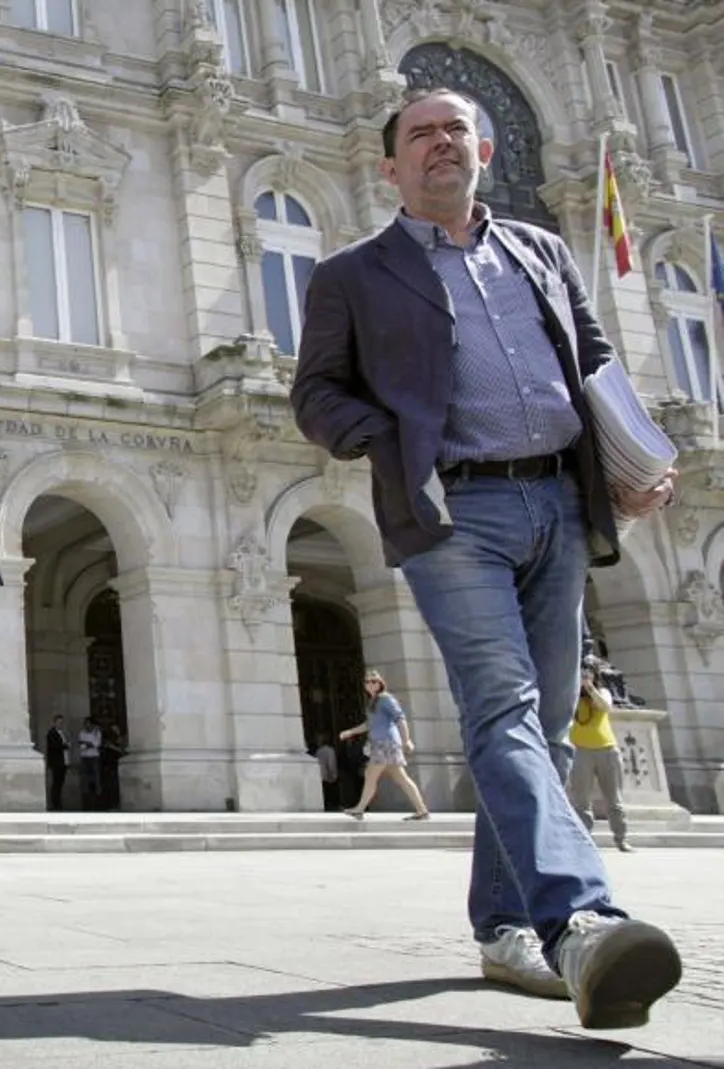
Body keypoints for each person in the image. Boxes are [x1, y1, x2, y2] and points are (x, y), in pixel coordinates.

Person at [290, 85, 681, 1028]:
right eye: (419, 135)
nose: (439, 146)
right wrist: (390, 439)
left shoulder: (538, 250)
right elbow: (316, 395)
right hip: (453, 510)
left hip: (559, 494)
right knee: (501, 706)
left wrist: (633, 452)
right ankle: (580, 919)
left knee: (543, 722)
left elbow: (591, 356)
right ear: (389, 167)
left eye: (454, 130)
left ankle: (502, 923)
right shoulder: (355, 272)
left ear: (486, 150)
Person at [337, 671, 431, 821]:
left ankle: (359, 809)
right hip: (382, 743)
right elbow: (370, 724)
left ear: (380, 683)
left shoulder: (386, 699)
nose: (370, 684)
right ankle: (422, 810)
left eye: (374, 681)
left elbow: (400, 718)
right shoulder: (374, 701)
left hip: (385, 743)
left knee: (371, 774)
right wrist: (351, 732)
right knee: (401, 778)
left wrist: (407, 740)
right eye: (367, 682)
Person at [569, 657, 632, 853]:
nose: (585, 676)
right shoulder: (571, 694)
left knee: (614, 799)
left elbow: (605, 706)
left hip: (607, 750)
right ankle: (583, 839)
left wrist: (590, 688)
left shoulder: (602, 692)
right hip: (581, 750)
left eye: (588, 672)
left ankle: (621, 838)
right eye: (582, 672)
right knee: (581, 801)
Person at [43, 714, 71, 812]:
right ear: (54, 722)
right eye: (59, 722)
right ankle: (56, 804)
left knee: (60, 783)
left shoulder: (62, 733)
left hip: (63, 762)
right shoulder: (52, 733)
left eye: (62, 722)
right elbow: (55, 746)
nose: (60, 724)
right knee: (56, 783)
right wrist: (65, 745)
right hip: (57, 762)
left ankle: (58, 803)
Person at [76, 718, 103, 811]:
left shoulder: (97, 733)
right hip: (84, 758)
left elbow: (96, 744)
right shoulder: (81, 733)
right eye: (85, 724)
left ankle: (97, 803)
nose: (87, 726)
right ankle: (86, 803)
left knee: (96, 778)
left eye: (88, 724)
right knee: (85, 780)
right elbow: (80, 745)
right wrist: (88, 744)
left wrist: (87, 743)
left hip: (94, 757)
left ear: (92, 724)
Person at [315, 733, 340, 812]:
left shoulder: (318, 751)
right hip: (328, 777)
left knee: (325, 795)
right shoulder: (329, 750)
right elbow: (331, 763)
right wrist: (333, 775)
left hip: (321, 776)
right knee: (331, 795)